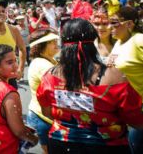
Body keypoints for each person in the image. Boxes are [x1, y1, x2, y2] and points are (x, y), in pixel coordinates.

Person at [37, 18, 143, 153]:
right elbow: (134, 118)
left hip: (61, 144)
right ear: (93, 39)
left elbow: (47, 112)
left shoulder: (49, 76)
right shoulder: (114, 76)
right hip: (106, 146)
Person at [107, 6, 143, 153]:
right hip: (126, 108)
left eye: (114, 22)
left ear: (129, 24)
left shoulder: (138, 40)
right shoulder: (119, 41)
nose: (110, 26)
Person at [26, 28, 59, 154]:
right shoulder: (42, 65)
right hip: (43, 118)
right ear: (41, 45)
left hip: (44, 115)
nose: (56, 43)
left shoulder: (48, 60)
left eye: (55, 40)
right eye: (51, 41)